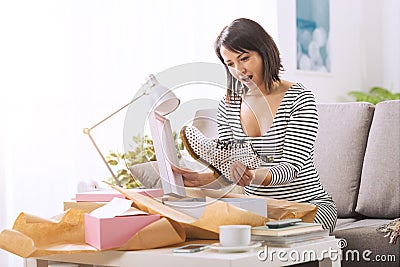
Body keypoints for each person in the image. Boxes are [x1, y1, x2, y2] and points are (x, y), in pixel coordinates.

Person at [173, 18, 337, 232]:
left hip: (309, 207)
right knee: (229, 231)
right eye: (230, 64)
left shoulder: (299, 97)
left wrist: (253, 175)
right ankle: (216, 152)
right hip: (261, 209)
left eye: (244, 58)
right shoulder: (229, 105)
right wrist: (203, 180)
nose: (239, 70)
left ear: (264, 52)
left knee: (281, 233)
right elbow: (234, 173)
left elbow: (292, 167)